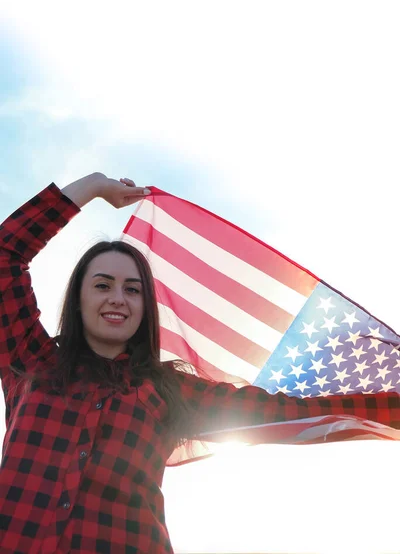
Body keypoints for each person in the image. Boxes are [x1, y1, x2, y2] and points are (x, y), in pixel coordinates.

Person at [0, 172, 399, 554]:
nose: (117, 298)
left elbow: (293, 411)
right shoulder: (30, 359)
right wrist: (89, 188)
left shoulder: (170, 390)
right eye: (102, 285)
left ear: (146, 308)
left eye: (133, 289)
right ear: (78, 297)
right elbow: (6, 254)